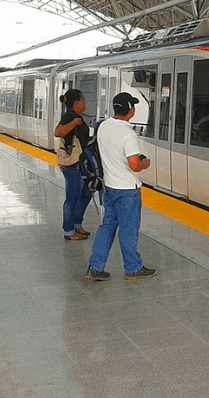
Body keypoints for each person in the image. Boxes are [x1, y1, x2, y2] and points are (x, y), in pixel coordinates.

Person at [86, 92, 155, 281]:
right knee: (128, 230)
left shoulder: (104, 126)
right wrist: (145, 163)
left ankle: (95, 267)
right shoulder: (127, 133)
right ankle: (133, 268)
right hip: (127, 191)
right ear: (131, 111)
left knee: (107, 227)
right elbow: (134, 164)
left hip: (109, 188)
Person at [54, 89, 94, 241]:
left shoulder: (77, 116)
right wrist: (75, 122)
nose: (85, 103)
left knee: (86, 193)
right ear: (76, 103)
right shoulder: (70, 116)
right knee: (72, 197)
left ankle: (77, 223)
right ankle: (69, 230)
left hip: (81, 162)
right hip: (72, 164)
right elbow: (58, 132)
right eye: (83, 100)